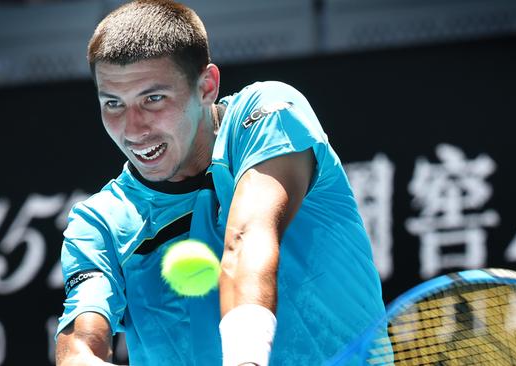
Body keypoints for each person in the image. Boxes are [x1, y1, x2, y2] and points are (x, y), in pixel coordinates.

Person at [54, 0, 385, 365]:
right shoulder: (98, 222)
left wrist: (246, 359)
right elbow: (79, 348)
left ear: (207, 86)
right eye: (113, 103)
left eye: (153, 98)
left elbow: (246, 241)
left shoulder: (268, 115)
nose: (133, 129)